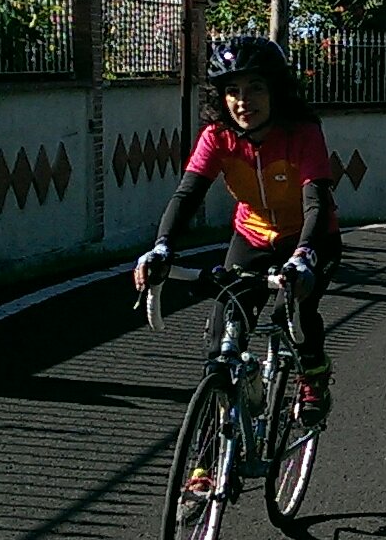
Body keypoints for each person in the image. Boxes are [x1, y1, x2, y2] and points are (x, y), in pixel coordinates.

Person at [135, 36, 339, 433]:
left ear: (276, 90)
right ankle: (212, 450)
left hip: (310, 238)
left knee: (290, 310)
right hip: (253, 236)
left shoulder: (302, 132)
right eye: (233, 91)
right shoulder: (217, 136)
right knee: (222, 338)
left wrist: (303, 257)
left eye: (255, 88)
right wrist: (161, 248)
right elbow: (188, 194)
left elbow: (316, 201)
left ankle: (314, 377)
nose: (244, 101)